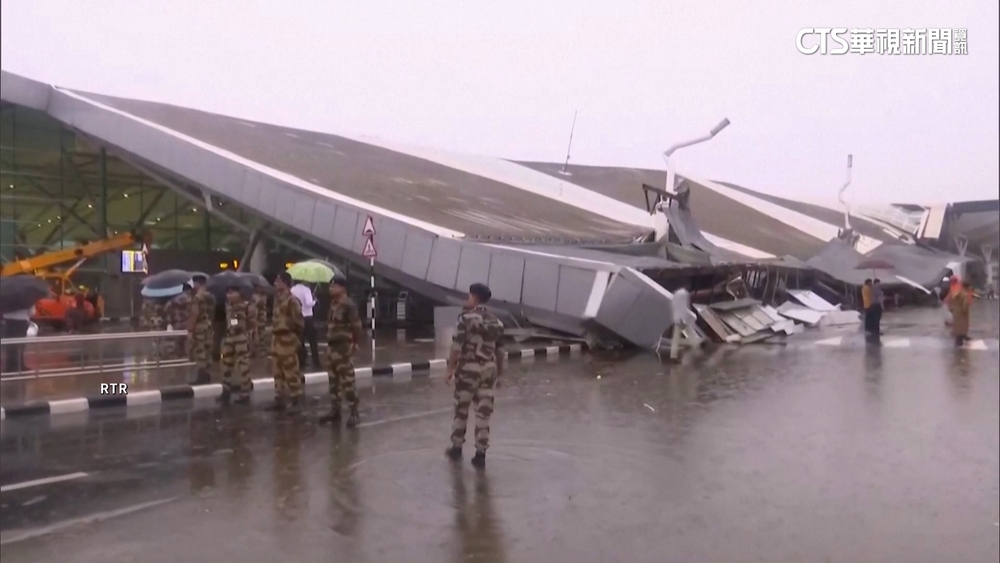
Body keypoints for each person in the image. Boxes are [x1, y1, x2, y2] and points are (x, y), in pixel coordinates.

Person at [444, 283, 505, 469]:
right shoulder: (497, 322)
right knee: (483, 413)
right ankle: (480, 454)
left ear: (475, 298)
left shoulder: (465, 318)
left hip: (467, 371)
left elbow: (456, 346)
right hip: (489, 371)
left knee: (461, 410)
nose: (467, 299)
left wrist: (450, 369)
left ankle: (456, 448)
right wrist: (500, 374)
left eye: (469, 296)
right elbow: (500, 351)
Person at [318, 276, 365, 427]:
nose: (331, 289)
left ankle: (354, 412)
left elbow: (356, 326)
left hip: (343, 347)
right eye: (330, 286)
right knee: (333, 381)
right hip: (332, 348)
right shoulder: (333, 304)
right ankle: (335, 410)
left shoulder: (348, 305)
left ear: (343, 288)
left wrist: (355, 342)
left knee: (347, 381)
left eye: (334, 286)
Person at [270, 272, 304, 411]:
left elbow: (299, 322)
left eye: (278, 281)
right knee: (277, 371)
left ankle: (296, 399)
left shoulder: (292, 301)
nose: (275, 284)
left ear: (285, 283)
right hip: (276, 338)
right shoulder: (277, 300)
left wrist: (294, 338)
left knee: (291, 370)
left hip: (287, 338)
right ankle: (279, 399)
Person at [220, 286, 255, 404]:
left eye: (232, 293)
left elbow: (252, 322)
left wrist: (249, 334)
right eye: (228, 293)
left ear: (239, 293)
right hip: (230, 337)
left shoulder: (246, 305)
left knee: (243, 366)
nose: (229, 295)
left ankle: (245, 394)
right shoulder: (228, 306)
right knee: (226, 364)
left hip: (241, 337)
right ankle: (226, 391)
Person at [188, 274, 216, 385]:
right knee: (207, 350)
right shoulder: (211, 297)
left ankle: (201, 377)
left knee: (199, 351)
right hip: (208, 325)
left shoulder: (197, 297)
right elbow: (212, 312)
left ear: (197, 283)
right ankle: (207, 375)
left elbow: (195, 313)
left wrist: (190, 329)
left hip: (199, 327)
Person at [290, 280, 320, 369]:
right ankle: (316, 362)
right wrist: (314, 300)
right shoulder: (306, 290)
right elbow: (308, 303)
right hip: (308, 318)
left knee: (300, 341)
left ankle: (301, 361)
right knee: (312, 341)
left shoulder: (292, 290)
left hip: (297, 317)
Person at [1, 306, 32, 374]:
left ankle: (10, 366)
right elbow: (31, 311)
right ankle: (20, 364)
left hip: (9, 319)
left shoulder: (8, 297)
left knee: (10, 344)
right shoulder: (24, 298)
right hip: (22, 319)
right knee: (20, 344)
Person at [165, 284, 193, 359]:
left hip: (177, 322)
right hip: (186, 322)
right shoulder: (189, 298)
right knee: (186, 342)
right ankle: (186, 359)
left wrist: (173, 316)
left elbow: (167, 307)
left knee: (178, 342)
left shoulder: (174, 299)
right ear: (188, 290)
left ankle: (179, 358)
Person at [949, 281, 972, 347]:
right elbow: (965, 305)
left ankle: (958, 342)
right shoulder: (965, 294)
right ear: (967, 287)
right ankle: (959, 344)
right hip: (962, 314)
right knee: (962, 328)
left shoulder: (957, 292)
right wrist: (965, 312)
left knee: (958, 327)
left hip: (956, 313)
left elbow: (950, 301)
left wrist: (952, 309)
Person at [251, 287, 269, 358]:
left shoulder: (258, 298)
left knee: (260, 335)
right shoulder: (256, 298)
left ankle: (259, 351)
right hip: (258, 321)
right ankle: (257, 351)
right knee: (257, 335)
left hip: (261, 321)